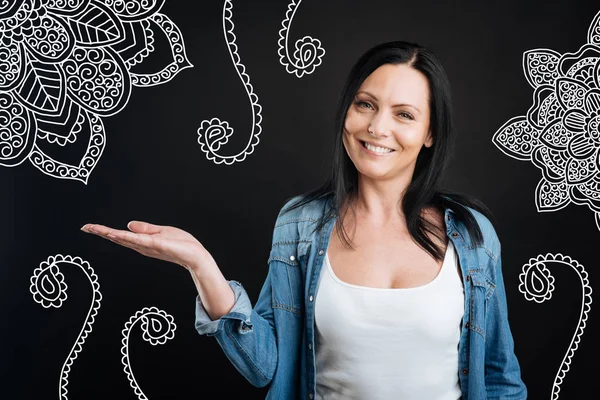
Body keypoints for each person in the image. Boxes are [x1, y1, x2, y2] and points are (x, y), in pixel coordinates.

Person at [81, 41, 527, 399]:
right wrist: (201, 265)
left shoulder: (471, 235)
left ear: (430, 133)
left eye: (404, 115)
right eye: (365, 105)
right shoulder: (300, 224)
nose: (376, 128)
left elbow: (500, 378)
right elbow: (264, 368)